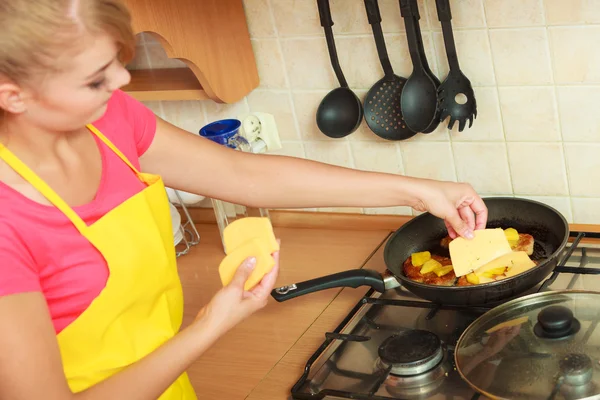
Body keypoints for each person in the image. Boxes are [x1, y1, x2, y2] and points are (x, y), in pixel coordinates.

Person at [0, 0, 488, 399]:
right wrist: (212, 323)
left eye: (118, 64)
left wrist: (417, 190)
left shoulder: (110, 122)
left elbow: (240, 173)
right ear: (13, 94)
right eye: (95, 78)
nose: (123, 83)